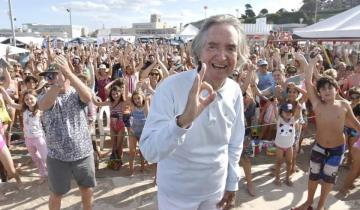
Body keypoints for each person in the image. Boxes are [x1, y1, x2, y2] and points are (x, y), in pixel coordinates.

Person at [140, 14, 248, 210]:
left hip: (215, 194)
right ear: (198, 52)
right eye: (212, 46)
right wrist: (181, 123)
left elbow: (234, 143)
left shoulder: (234, 91)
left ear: (239, 55)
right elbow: (149, 151)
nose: (222, 56)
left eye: (230, 48)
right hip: (176, 197)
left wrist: (232, 183)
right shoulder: (170, 88)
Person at [292, 52, 360, 210]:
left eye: (330, 87)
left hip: (337, 150)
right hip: (319, 147)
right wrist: (310, 62)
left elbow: (356, 124)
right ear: (319, 93)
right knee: (313, 176)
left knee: (328, 180)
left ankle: (320, 206)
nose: (327, 90)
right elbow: (308, 82)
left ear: (336, 89)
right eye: (323, 89)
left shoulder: (344, 106)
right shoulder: (317, 104)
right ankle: (309, 202)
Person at [37, 57, 95, 210]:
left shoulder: (76, 93)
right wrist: (57, 85)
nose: (49, 79)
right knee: (56, 193)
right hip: (57, 156)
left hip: (82, 153)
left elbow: (88, 97)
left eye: (53, 75)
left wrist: (69, 73)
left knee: (87, 190)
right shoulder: (45, 94)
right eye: (47, 76)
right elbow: (43, 105)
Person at [0, 88, 48, 184]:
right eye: (26, 99)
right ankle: (43, 174)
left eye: (31, 98)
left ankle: (53, 174)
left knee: (46, 158)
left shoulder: (41, 110)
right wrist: (2, 90)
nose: (29, 101)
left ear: (36, 98)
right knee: (35, 158)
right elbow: (10, 102)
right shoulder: (23, 109)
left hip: (40, 138)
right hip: (28, 139)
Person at [273, 103, 299, 186]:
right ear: (281, 113)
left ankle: (287, 177)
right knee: (278, 162)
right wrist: (274, 105)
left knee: (289, 162)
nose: (288, 113)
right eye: (286, 111)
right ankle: (277, 178)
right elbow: (275, 111)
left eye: (290, 111)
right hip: (279, 146)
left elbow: (298, 114)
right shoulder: (279, 119)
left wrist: (299, 107)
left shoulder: (293, 120)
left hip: (289, 146)